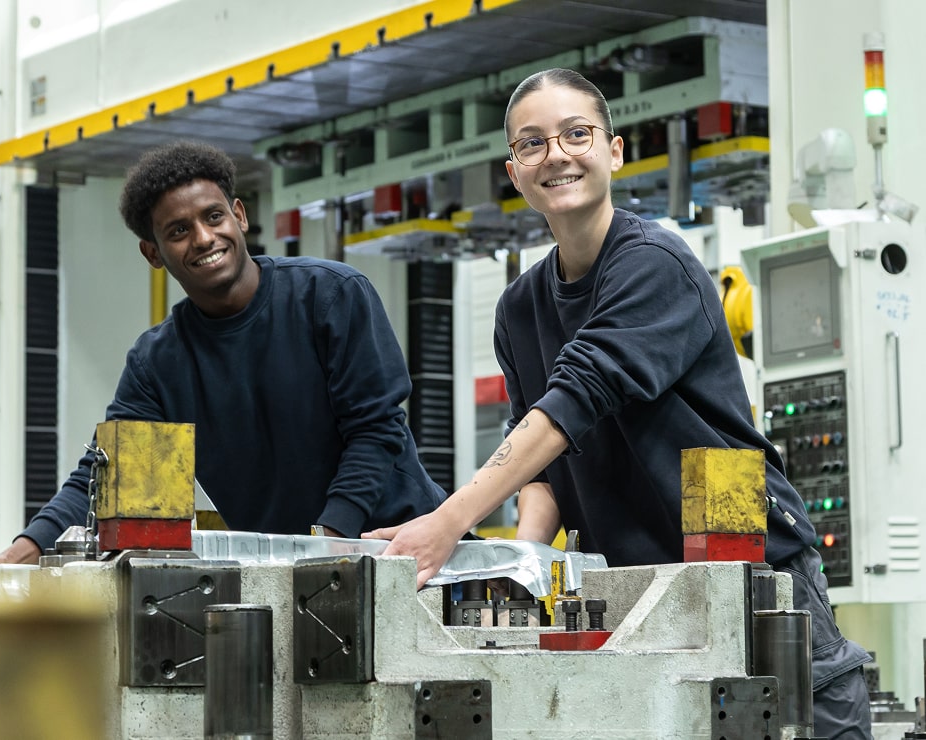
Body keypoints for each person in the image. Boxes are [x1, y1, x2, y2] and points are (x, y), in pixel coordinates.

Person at [364, 68, 872, 739]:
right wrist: (522, 567)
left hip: (751, 571)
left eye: (576, 134)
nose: (557, 155)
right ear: (513, 170)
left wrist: (448, 521)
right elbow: (542, 455)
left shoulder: (655, 262)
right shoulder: (520, 307)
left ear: (614, 150)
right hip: (632, 587)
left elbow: (576, 399)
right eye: (532, 143)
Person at [0, 140, 445, 565]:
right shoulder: (157, 362)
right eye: (177, 231)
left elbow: (375, 430)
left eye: (213, 217)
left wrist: (328, 541)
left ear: (238, 215)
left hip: (397, 550)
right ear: (153, 253)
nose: (202, 238)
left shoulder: (331, 296)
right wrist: (21, 551)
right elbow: (109, 475)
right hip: (286, 572)